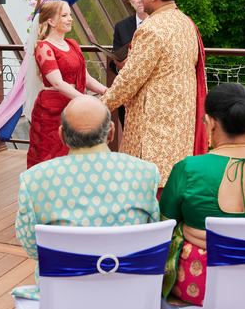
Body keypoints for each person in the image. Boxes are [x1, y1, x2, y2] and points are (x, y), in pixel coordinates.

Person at [159, 84, 245, 306]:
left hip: (203, 283)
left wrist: (192, 232)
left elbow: (164, 223)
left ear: (212, 122)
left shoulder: (189, 168)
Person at [13, 95, 161, 297]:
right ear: (111, 132)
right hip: (131, 295)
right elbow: (152, 235)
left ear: (62, 135)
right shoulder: (145, 173)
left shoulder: (35, 180)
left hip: (63, 298)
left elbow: (32, 248)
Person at [100, 0, 207, 188]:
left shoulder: (151, 28)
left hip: (154, 121)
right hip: (182, 117)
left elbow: (129, 78)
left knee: (148, 182)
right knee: (175, 178)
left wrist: (100, 107)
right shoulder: (186, 23)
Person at [24, 0, 108, 169]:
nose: (70, 19)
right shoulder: (44, 47)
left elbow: (87, 78)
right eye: (64, 15)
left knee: (76, 153)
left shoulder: (72, 44)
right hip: (52, 109)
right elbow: (57, 83)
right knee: (50, 154)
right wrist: (87, 101)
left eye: (69, 15)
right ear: (51, 21)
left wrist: (109, 91)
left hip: (74, 105)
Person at [109, 0, 147, 128]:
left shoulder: (161, 23)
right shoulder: (121, 26)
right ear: (131, 2)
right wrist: (119, 66)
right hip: (128, 92)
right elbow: (114, 60)